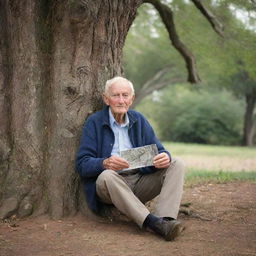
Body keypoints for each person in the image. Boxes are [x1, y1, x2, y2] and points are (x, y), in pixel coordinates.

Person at [75, 76, 185, 241]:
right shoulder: (94, 122)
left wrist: (164, 157)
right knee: (107, 175)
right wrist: (104, 163)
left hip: (138, 181)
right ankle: (152, 222)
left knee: (177, 163)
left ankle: (166, 221)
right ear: (106, 99)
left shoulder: (138, 120)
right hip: (109, 186)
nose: (121, 100)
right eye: (115, 95)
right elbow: (82, 164)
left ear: (131, 99)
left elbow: (159, 151)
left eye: (125, 95)